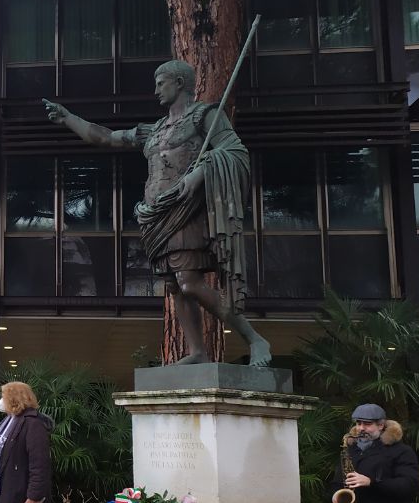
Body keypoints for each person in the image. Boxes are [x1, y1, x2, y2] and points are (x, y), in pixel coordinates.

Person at [45, 60, 271, 366]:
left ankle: (254, 338)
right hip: (156, 216)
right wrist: (69, 118)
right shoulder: (156, 129)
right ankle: (197, 352)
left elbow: (234, 151)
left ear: (179, 83)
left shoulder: (205, 116)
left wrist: (199, 173)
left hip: (186, 210)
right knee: (176, 285)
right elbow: (107, 137)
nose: (155, 91)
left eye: (160, 83)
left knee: (189, 281)